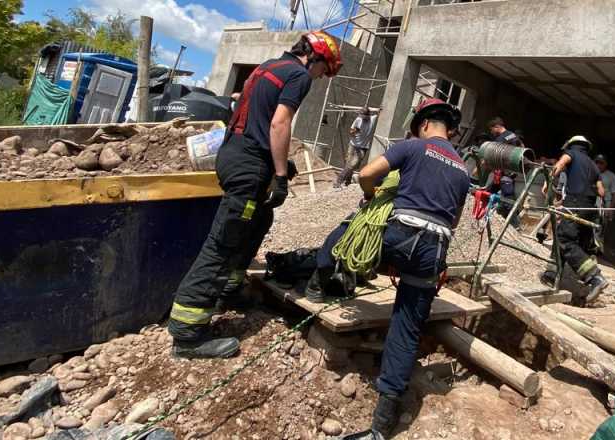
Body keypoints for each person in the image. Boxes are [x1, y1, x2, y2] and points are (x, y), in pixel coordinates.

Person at [165, 31, 342, 360]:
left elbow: (257, 121)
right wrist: (279, 176)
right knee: (223, 242)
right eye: (323, 71)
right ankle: (187, 333)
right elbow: (279, 124)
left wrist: (279, 162)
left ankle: (230, 290)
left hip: (235, 153)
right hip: (249, 166)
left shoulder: (268, 67)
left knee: (260, 217)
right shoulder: (298, 75)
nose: (319, 78)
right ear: (315, 58)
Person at [309, 98, 469, 439]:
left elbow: (366, 174)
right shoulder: (462, 170)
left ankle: (322, 280)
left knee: (348, 236)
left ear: (424, 124)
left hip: (398, 235)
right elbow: (453, 220)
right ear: (448, 129)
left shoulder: (413, 147)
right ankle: (381, 428)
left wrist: (373, 196)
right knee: (407, 327)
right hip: (433, 250)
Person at [541, 136, 609, 303]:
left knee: (564, 239)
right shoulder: (594, 166)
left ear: (571, 145)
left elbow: (559, 165)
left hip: (575, 203)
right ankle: (551, 274)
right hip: (589, 208)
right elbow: (602, 192)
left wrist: (548, 181)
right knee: (564, 236)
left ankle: (595, 278)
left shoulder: (571, 153)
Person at [335, 107, 378, 188]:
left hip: (363, 147)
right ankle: (347, 181)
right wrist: (354, 132)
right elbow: (351, 132)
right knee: (348, 163)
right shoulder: (358, 120)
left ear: (367, 115)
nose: (361, 117)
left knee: (353, 164)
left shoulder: (373, 119)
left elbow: (380, 111)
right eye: (360, 115)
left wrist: (372, 109)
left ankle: (339, 180)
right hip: (353, 144)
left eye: (363, 115)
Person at [594, 154, 615, 249]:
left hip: (605, 204)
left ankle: (597, 250)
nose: (598, 165)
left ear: (606, 164)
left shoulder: (611, 176)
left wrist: (611, 209)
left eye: (601, 163)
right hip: (591, 202)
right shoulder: (591, 172)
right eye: (596, 162)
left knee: (601, 227)